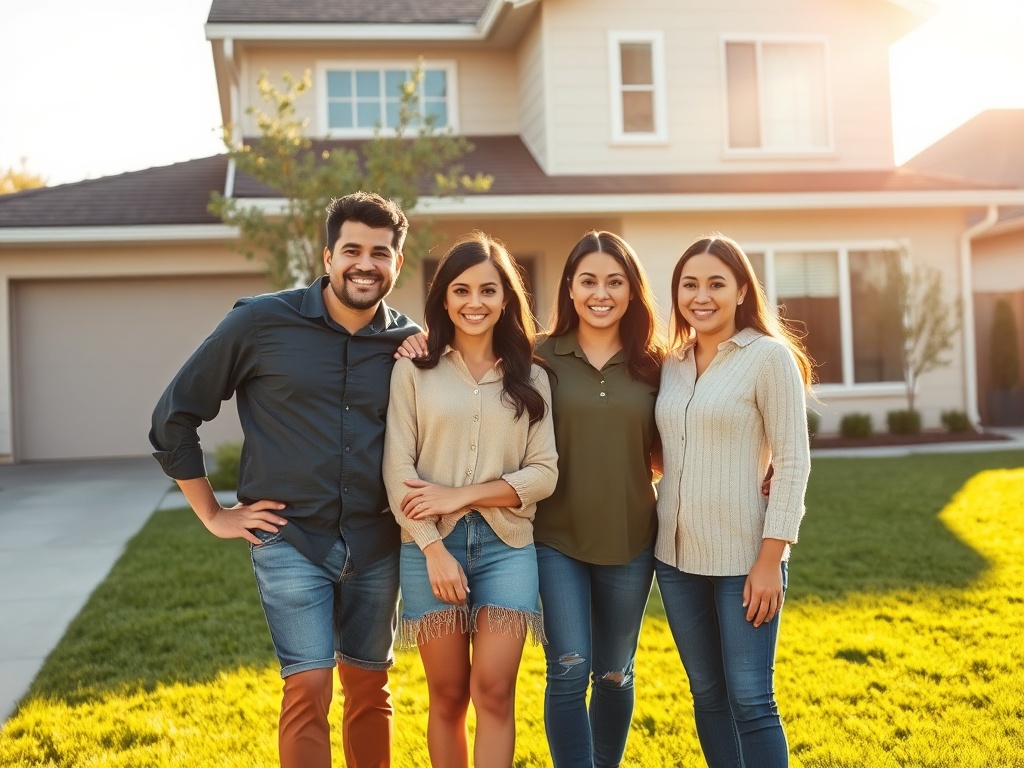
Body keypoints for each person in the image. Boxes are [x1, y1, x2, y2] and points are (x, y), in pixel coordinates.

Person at [149, 191, 419, 768]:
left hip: (377, 542)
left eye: (380, 252)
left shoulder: (410, 343)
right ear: (327, 256)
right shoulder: (259, 322)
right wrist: (214, 515)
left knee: (370, 691)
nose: (364, 264)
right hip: (291, 539)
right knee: (309, 688)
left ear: (397, 263)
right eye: (352, 250)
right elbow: (174, 416)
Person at [382, 232, 558, 768]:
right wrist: (433, 549)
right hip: (427, 549)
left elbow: (544, 473)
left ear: (506, 298)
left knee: (495, 692)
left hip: (509, 547)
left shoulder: (534, 377)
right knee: (449, 696)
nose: (474, 303)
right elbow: (397, 471)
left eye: (488, 290)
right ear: (444, 299)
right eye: (461, 291)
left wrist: (461, 495)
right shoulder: (414, 369)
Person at [654, 234, 813, 768]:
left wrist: (771, 560)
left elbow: (793, 461)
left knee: (750, 699)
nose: (702, 295)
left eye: (716, 283)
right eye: (689, 284)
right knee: (707, 696)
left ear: (741, 289)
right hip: (675, 562)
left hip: (745, 561)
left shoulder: (768, 358)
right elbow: (670, 448)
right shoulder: (671, 363)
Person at [532, 231, 666, 768]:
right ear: (569, 288)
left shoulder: (657, 364)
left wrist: (761, 469)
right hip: (554, 539)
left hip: (631, 539)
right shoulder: (537, 355)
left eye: (615, 281)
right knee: (568, 668)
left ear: (632, 292)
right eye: (588, 281)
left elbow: (687, 436)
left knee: (614, 671)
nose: (600, 293)